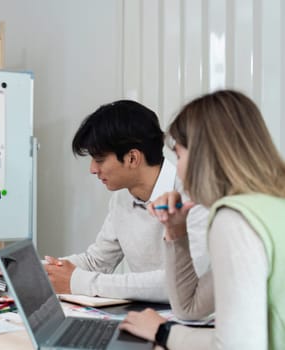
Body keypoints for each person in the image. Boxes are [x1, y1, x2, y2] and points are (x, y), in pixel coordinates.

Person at [119, 90, 285, 349]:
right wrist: (176, 231)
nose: (179, 169)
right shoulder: (271, 206)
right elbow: (190, 307)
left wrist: (163, 332)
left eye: (180, 155)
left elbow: (238, 346)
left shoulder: (235, 220)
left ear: (202, 158)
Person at [43, 100, 210, 302]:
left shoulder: (195, 196)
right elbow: (97, 261)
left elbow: (180, 282)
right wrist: (31, 272)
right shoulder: (122, 197)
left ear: (132, 158)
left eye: (100, 159)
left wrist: (80, 282)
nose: (93, 169)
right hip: (149, 314)